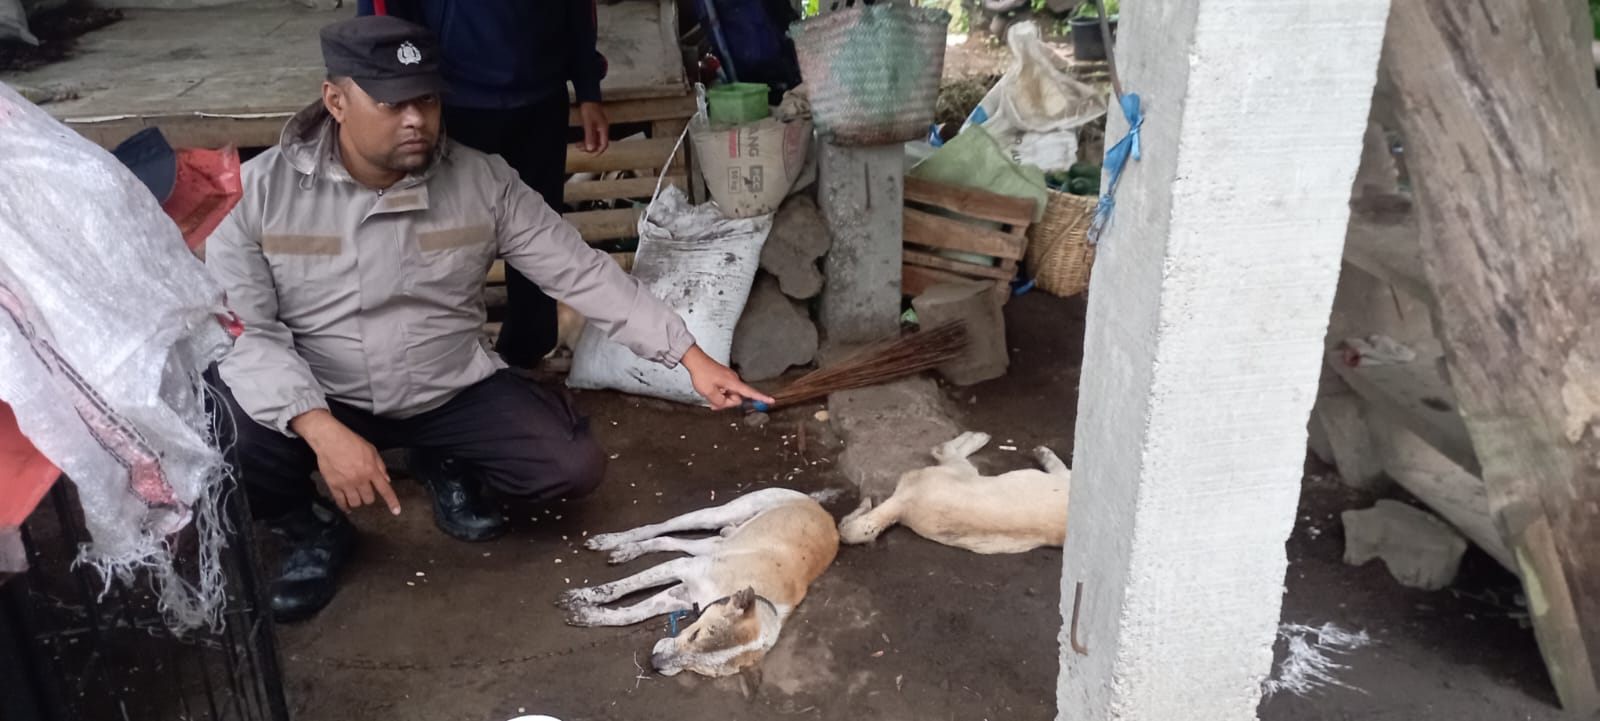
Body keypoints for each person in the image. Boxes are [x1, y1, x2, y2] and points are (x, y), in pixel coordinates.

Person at [205, 16, 771, 622]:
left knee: (569, 466)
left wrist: (688, 355)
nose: (416, 119)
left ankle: (440, 458)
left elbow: (580, 271)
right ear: (336, 101)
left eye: (426, 100)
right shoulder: (256, 193)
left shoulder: (481, 180)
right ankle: (309, 524)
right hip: (322, 390)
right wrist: (319, 427)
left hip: (445, 388)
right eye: (392, 104)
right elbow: (245, 331)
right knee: (224, 428)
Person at [356, 0, 609, 371]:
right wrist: (392, 93)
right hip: (453, 97)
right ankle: (441, 359)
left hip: (541, 97)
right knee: (443, 237)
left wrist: (588, 88)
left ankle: (525, 360)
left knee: (539, 230)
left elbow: (578, 7)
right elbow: (381, 14)